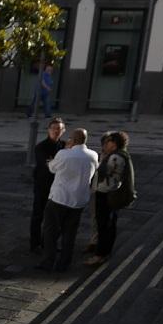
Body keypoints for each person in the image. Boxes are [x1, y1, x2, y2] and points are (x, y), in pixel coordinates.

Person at [41, 127, 98, 273]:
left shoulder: (64, 154)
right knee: (70, 233)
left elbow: (52, 168)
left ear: (72, 140)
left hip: (60, 198)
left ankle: (48, 261)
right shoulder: (93, 155)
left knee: (50, 232)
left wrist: (54, 159)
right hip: (78, 200)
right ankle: (64, 263)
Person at [88, 131, 135, 266]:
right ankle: (104, 252)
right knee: (108, 225)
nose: (105, 144)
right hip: (111, 194)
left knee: (104, 226)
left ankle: (100, 254)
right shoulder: (120, 155)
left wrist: (102, 161)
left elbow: (108, 175)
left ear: (114, 144)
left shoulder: (115, 157)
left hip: (106, 194)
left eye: (108, 142)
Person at [29, 116, 66, 253]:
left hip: (59, 187)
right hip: (43, 185)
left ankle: (48, 243)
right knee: (38, 215)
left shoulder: (64, 146)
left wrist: (55, 163)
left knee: (55, 218)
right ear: (49, 130)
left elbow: (56, 165)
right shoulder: (41, 147)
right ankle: (35, 244)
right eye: (54, 129)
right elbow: (48, 166)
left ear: (63, 131)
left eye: (59, 129)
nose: (56, 131)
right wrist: (58, 164)